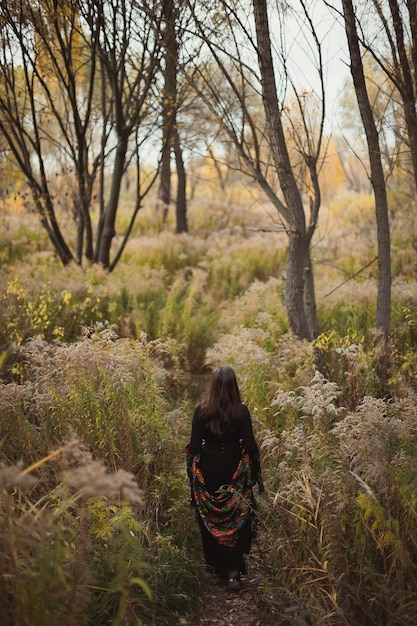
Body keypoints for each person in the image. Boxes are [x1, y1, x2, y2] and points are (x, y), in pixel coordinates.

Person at [186, 365, 263, 591]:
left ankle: (217, 569)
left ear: (212, 386)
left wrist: (192, 468)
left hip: (209, 470)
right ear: (233, 386)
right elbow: (249, 445)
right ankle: (233, 574)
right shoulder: (242, 411)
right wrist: (256, 469)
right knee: (238, 518)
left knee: (211, 518)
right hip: (235, 471)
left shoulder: (201, 411)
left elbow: (193, 446)